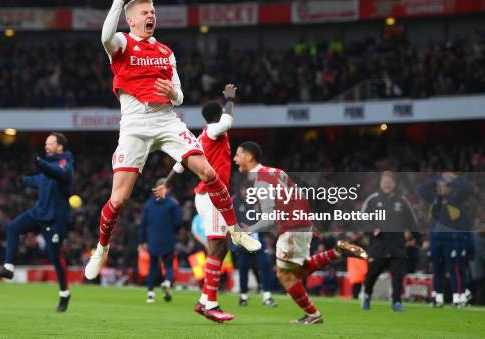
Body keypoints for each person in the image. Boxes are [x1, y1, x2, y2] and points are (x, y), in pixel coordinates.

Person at [85, 0, 260, 282]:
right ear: (132, 20)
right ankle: (101, 248)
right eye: (145, 12)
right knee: (119, 200)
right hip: (135, 124)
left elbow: (178, 93)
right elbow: (103, 37)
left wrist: (172, 93)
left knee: (208, 172)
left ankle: (236, 230)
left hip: (166, 120)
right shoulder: (122, 44)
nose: (151, 15)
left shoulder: (166, 52)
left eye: (153, 11)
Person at [233, 141, 368, 325]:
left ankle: (313, 313)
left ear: (249, 157)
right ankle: (336, 253)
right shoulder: (276, 172)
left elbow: (269, 218)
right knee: (297, 271)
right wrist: (307, 220)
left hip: (292, 228)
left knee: (285, 275)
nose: (235, 159)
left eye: (238, 155)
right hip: (300, 224)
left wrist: (247, 230)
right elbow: (297, 194)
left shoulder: (260, 182)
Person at [154, 84, 240, 322]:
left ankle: (204, 299)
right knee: (216, 245)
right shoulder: (214, 130)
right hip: (210, 195)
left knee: (221, 247)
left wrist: (168, 184)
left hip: (211, 196)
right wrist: (231, 100)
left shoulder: (202, 138)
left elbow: (182, 162)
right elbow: (227, 121)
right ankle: (211, 304)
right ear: (217, 114)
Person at [0, 133, 74, 313]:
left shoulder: (65, 163)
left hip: (54, 219)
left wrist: (40, 163)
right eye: (45, 143)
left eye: (50, 143)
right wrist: (21, 180)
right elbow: (38, 180)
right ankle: (8, 267)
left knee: (55, 258)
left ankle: (64, 294)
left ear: (60, 147)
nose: (46, 146)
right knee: (13, 227)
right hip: (38, 214)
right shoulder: (47, 166)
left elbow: (58, 173)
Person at [360, 171, 421, 312]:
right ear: (380, 184)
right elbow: (362, 218)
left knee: (398, 276)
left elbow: (412, 222)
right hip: (378, 245)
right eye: (384, 183)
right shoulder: (372, 200)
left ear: (394, 184)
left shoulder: (402, 201)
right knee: (372, 275)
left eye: (389, 183)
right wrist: (371, 229)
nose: (387, 185)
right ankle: (367, 296)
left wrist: (418, 239)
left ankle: (396, 302)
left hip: (397, 245)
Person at [417, 172, 474, 307]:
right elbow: (421, 189)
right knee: (437, 270)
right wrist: (438, 178)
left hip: (452, 240)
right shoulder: (434, 198)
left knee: (454, 269)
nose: (441, 188)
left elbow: (469, 187)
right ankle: (438, 297)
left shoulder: (456, 198)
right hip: (436, 240)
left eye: (444, 186)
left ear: (450, 188)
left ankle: (458, 298)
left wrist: (452, 180)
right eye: (439, 186)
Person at [139, 179, 183, 304]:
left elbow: (142, 225)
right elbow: (178, 222)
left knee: (152, 267)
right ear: (167, 188)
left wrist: (142, 241)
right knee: (168, 265)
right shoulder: (173, 204)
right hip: (168, 239)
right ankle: (167, 282)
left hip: (152, 239)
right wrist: (174, 232)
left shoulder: (148, 205)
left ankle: (150, 294)